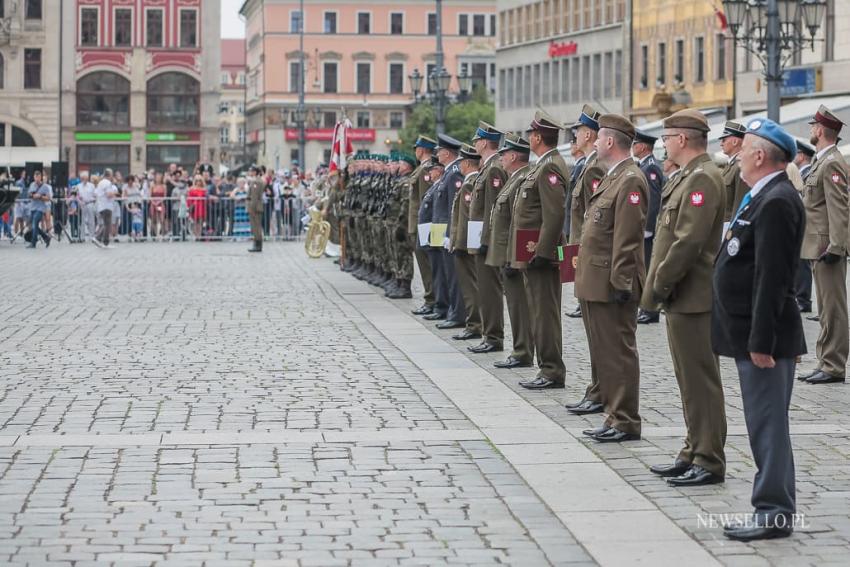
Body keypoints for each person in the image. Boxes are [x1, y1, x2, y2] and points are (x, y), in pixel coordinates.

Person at [713, 118, 805, 542]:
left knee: (767, 424)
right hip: (751, 331)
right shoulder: (761, 197)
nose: (737, 154)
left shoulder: (776, 201)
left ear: (760, 155)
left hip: (762, 335)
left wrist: (761, 341)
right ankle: (773, 506)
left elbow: (771, 278)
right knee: (765, 423)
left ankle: (773, 511)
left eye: (743, 147)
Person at [641, 108, 727, 482]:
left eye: (666, 138)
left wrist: (658, 285)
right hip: (682, 296)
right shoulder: (688, 176)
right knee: (687, 378)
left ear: (681, 139)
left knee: (701, 380)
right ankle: (693, 449)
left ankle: (709, 458)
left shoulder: (704, 178)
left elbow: (686, 242)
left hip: (693, 295)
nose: (663, 145)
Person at [574, 114, 647, 442]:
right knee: (605, 352)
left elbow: (628, 238)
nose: (595, 141)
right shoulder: (612, 176)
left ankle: (625, 419)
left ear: (609, 141)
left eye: (599, 136)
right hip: (596, 280)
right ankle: (613, 414)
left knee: (618, 352)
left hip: (611, 283)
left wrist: (621, 282)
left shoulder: (630, 179)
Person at [510, 110, 568, 390]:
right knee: (538, 310)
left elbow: (554, 214)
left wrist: (543, 253)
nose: (528, 138)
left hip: (542, 256)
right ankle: (547, 367)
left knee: (545, 312)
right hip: (533, 252)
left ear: (536, 137)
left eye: (530, 134)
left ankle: (552, 370)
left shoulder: (550, 167)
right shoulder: (542, 164)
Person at [797, 105, 849, 385]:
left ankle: (834, 364)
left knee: (834, 308)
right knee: (825, 309)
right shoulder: (823, 161)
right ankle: (825, 360)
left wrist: (837, 247)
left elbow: (839, 208)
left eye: (812, 127)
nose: (810, 131)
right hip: (818, 246)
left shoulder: (832, 163)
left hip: (828, 247)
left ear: (820, 130)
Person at [488, 134, 535, 369]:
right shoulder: (514, 178)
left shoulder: (522, 179)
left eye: (504, 155)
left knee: (520, 306)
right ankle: (520, 348)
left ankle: (523, 350)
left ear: (514, 156)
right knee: (515, 305)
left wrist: (513, 255)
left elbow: (520, 223)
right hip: (508, 253)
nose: (501, 159)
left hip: (514, 254)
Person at [467, 123, 508, 354]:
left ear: (483, 142)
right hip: (480, 238)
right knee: (484, 288)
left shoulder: (493, 169)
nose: (474, 144)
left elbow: (494, 208)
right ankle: (489, 333)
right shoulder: (487, 167)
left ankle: (493, 336)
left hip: (486, 240)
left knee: (490, 289)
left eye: (476, 140)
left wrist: (487, 240)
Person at [565, 105, 604, 321]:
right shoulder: (588, 164)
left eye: (577, 132)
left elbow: (594, 211)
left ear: (588, 134)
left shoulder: (595, 166)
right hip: (577, 238)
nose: (575, 137)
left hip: (585, 243)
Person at [430, 135, 466, 330]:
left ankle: (457, 313)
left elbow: (455, 207)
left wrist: (451, 235)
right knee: (444, 272)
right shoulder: (447, 173)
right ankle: (450, 309)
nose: (437, 154)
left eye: (439, 151)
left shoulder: (454, 173)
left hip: (446, 232)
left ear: (446, 152)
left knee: (452, 275)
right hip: (439, 230)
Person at [449, 144, 483, 341]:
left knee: (471, 287)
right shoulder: (467, 182)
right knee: (468, 286)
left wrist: (463, 243)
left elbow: (470, 217)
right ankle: (474, 323)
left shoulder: (470, 183)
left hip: (465, 243)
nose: (459, 165)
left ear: (468, 163)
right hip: (462, 242)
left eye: (461, 161)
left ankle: (475, 324)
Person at [633, 130, 664, 325]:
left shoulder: (650, 168)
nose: (633, 147)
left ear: (643, 146)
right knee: (643, 268)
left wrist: (648, 227)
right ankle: (646, 307)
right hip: (644, 226)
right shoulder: (644, 166)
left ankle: (650, 309)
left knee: (647, 269)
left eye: (635, 144)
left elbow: (653, 200)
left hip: (647, 228)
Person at [409, 137, 438, 316]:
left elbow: (426, 200)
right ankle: (431, 298)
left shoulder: (426, 170)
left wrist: (424, 225)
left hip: (423, 223)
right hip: (417, 222)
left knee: (427, 265)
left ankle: (431, 299)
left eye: (417, 148)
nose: (415, 151)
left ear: (422, 150)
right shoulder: (421, 168)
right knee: (424, 264)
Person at [793, 139, 816, 314]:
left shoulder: (807, 174)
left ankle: (803, 299)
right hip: (804, 223)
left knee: (803, 263)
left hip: (810, 225)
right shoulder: (803, 174)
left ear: (801, 155)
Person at [719, 120, 750, 221]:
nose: (721, 144)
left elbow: (740, 203)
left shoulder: (740, 166)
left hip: (730, 224)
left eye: (724, 140)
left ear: (735, 141)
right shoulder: (731, 165)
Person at [26, 171, 52, 248]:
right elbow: (29, 194)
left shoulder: (45, 187)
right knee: (34, 225)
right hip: (32, 208)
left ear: (41, 177)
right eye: (35, 177)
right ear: (34, 177)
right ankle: (46, 237)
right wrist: (33, 195)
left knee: (34, 223)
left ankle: (33, 243)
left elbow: (48, 198)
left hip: (40, 209)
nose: (37, 178)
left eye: (38, 177)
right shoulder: (32, 185)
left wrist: (40, 196)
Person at [93, 169, 118, 248]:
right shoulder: (107, 183)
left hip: (101, 205)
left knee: (106, 224)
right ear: (109, 175)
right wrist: (115, 192)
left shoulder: (100, 182)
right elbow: (108, 194)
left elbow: (96, 193)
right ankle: (102, 240)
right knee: (108, 224)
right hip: (106, 205)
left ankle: (101, 239)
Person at [247, 166, 266, 252]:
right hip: (256, 206)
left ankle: (258, 244)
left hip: (255, 207)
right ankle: (257, 243)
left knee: (256, 227)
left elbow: (254, 197)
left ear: (255, 172)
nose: (250, 172)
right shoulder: (257, 181)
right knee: (255, 226)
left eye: (251, 171)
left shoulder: (256, 182)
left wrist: (252, 208)